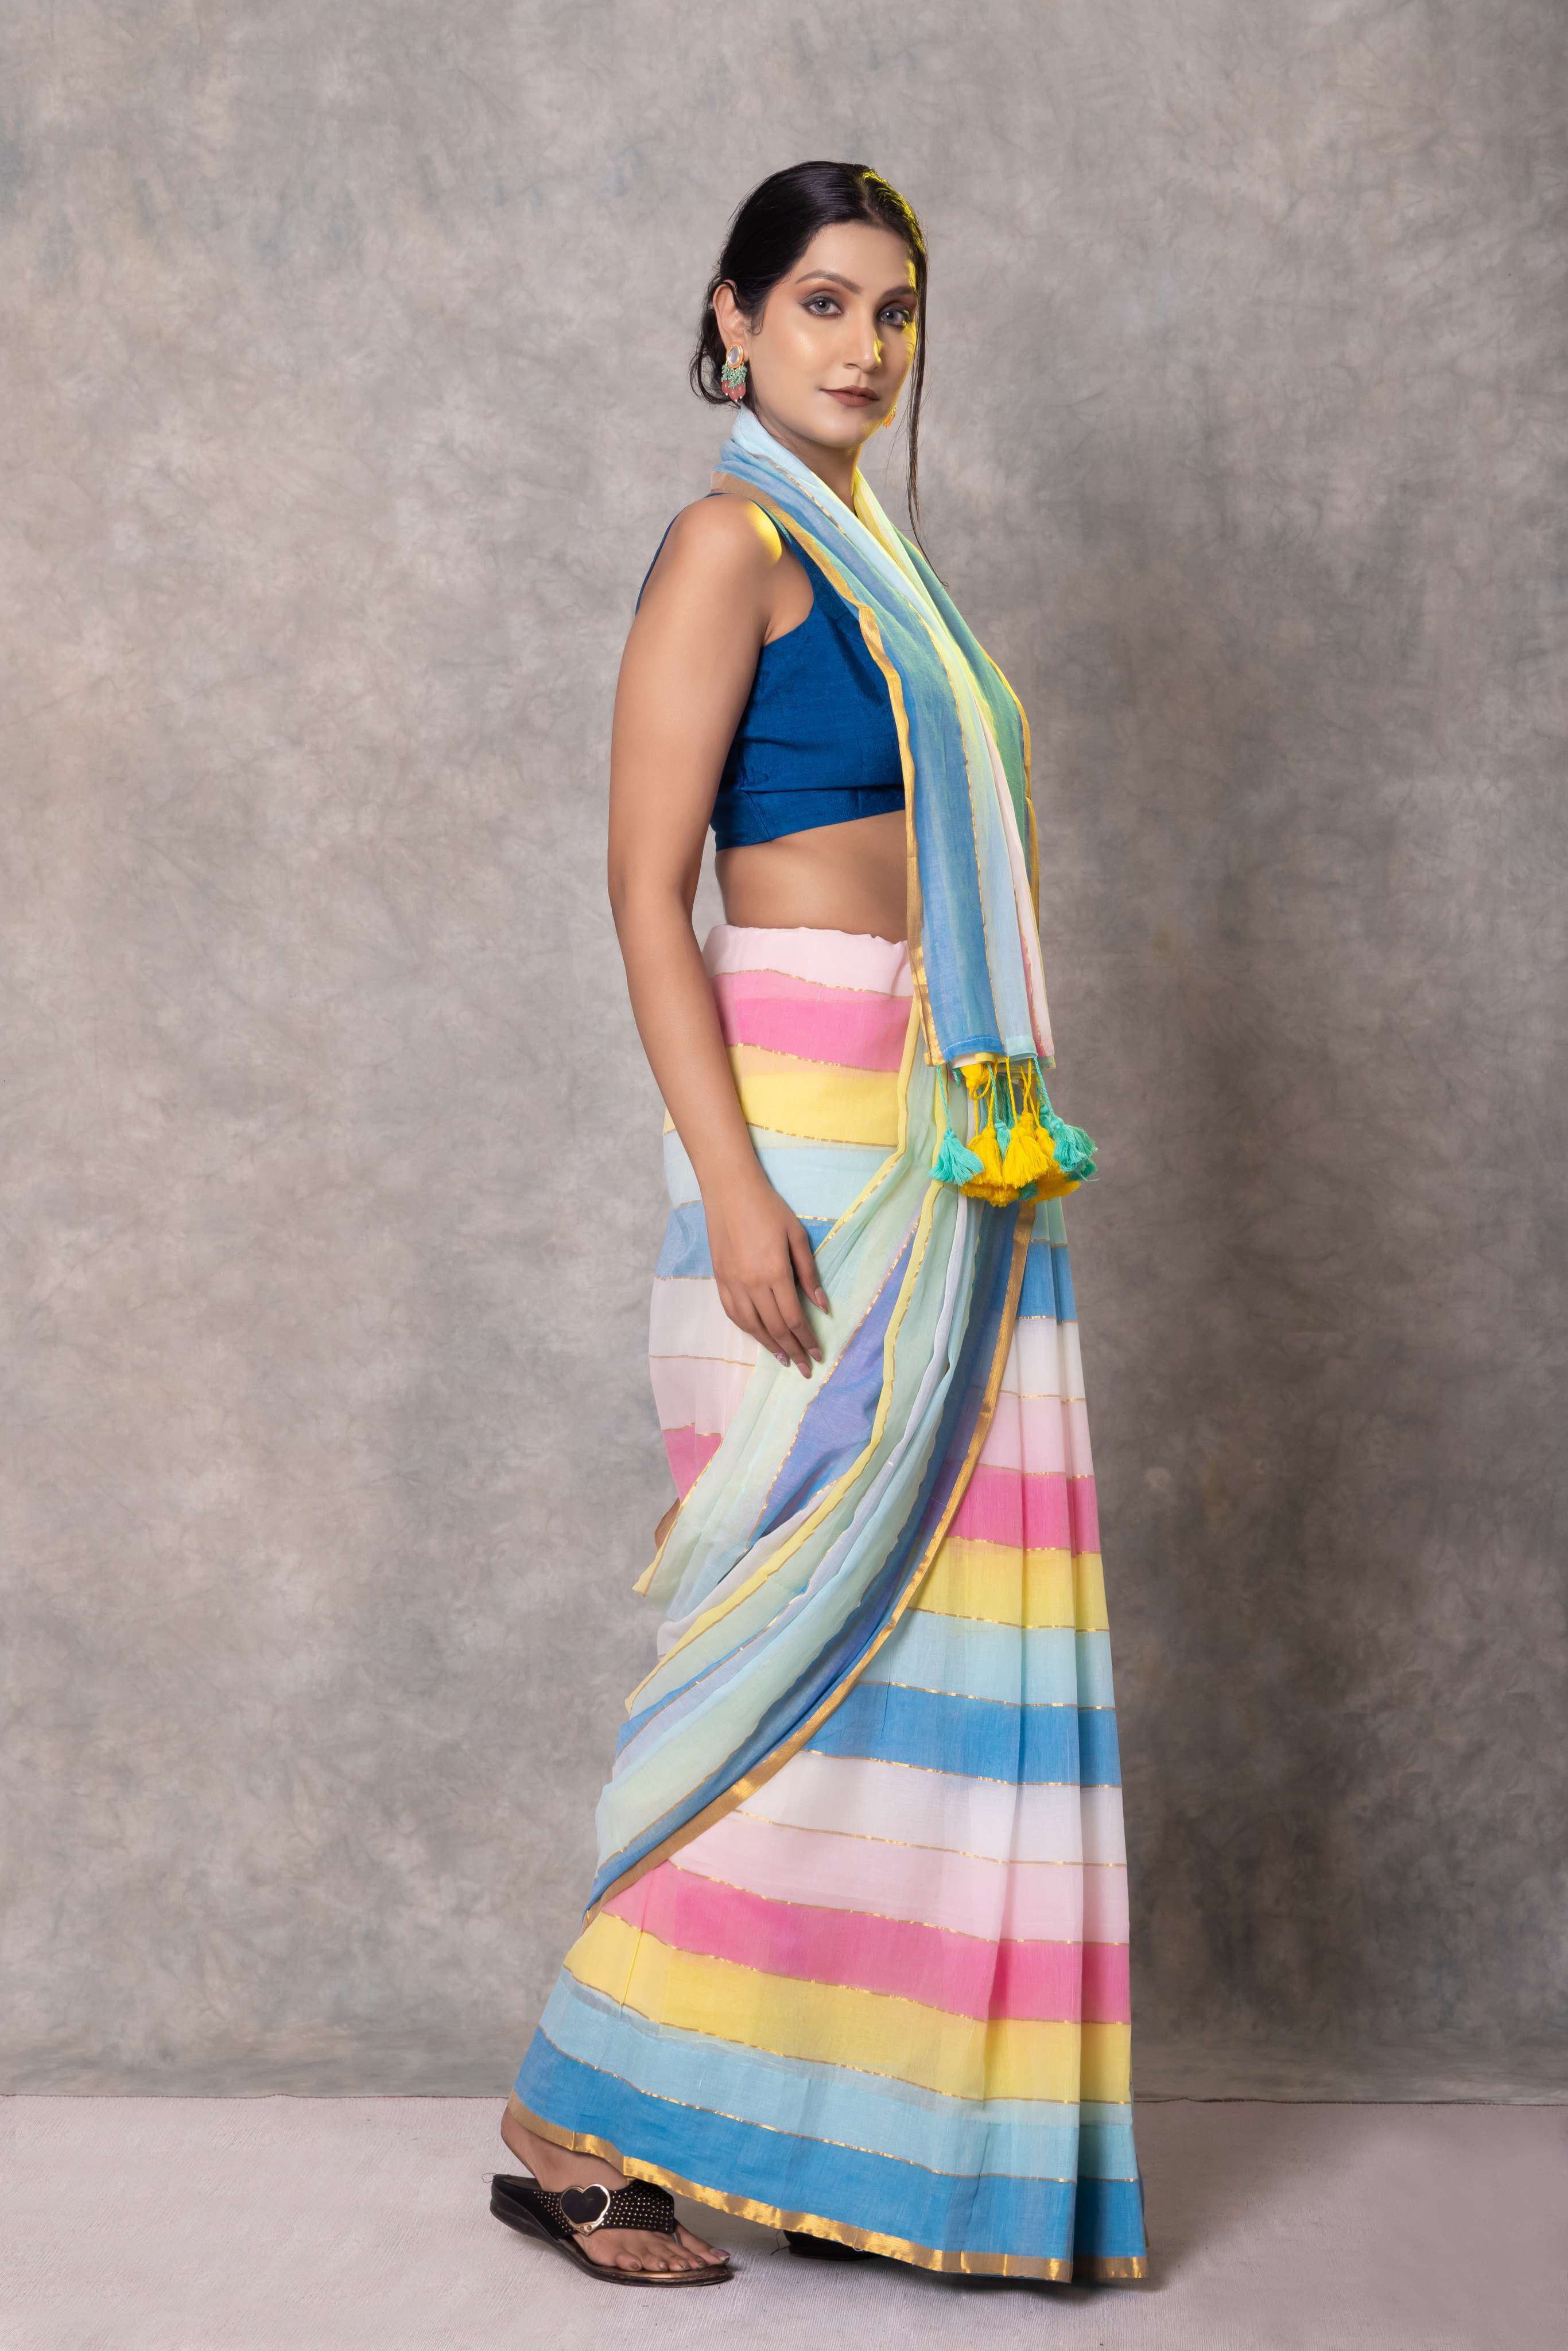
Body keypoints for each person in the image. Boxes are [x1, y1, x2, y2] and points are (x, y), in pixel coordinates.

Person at [489, 160, 1150, 2290]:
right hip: (795, 1115)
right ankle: (572, 2109)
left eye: (895, 311)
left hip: (944, 1125)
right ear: (736, 320)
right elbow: (642, 895)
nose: (864, 346)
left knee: (919, 1650)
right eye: (824, 305)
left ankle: (844, 2137)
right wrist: (741, 1186)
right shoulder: (733, 545)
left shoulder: (887, 566)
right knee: (782, 1634)